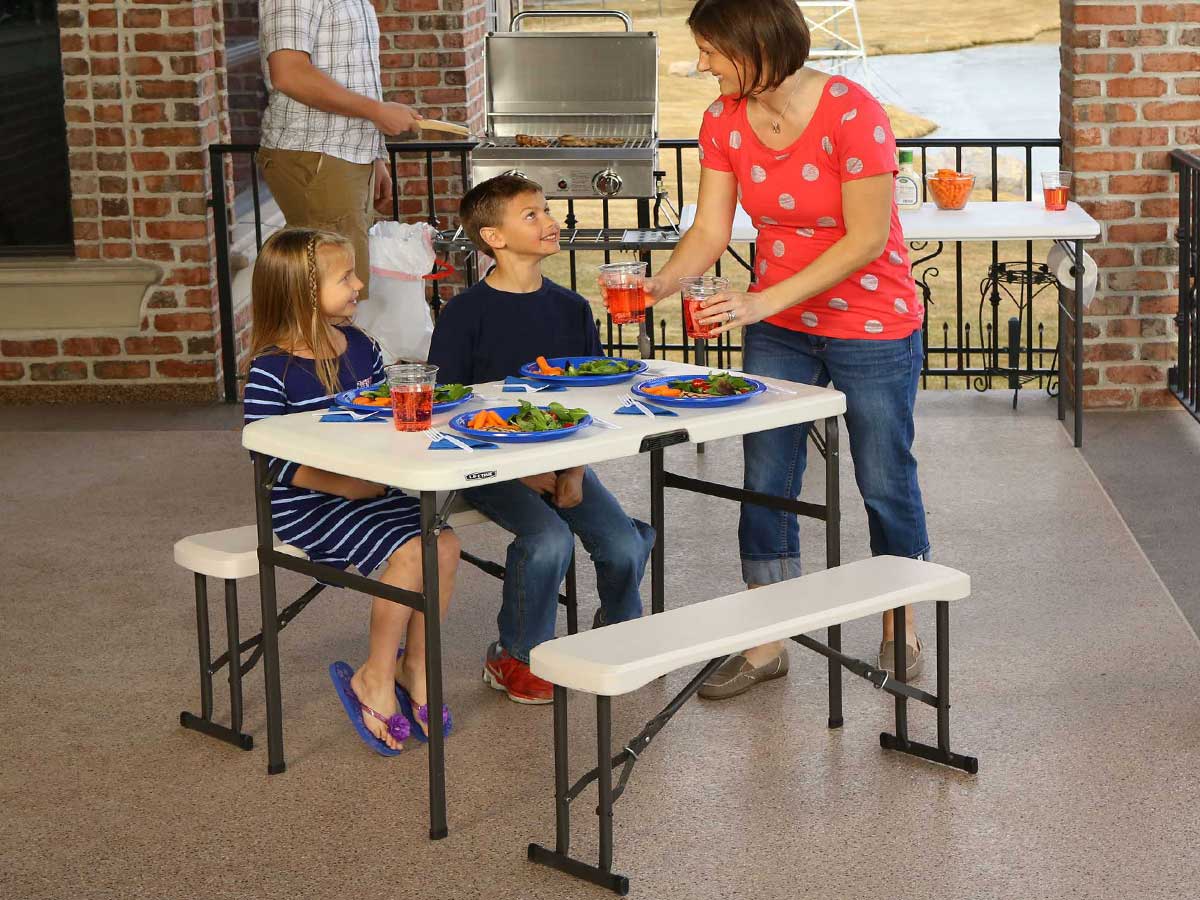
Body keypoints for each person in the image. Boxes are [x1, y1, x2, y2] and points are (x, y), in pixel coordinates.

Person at [644, 0, 931, 698]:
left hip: (872, 322)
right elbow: (712, 228)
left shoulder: (851, 111)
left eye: (712, 50)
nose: (702, 64)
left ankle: (900, 620)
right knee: (765, 472)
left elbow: (865, 239)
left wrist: (760, 301)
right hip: (779, 324)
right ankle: (767, 639)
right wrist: (659, 284)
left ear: (757, 43)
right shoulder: (723, 121)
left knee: (883, 473)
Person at [427, 175, 655, 705]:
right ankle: (514, 656)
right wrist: (524, 473)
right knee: (548, 539)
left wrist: (572, 474)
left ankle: (621, 629)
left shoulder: (571, 308)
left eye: (547, 210)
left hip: (565, 460)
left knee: (621, 546)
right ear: (495, 238)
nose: (550, 221)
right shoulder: (464, 314)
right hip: (486, 463)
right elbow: (448, 408)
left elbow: (590, 400)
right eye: (531, 215)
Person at [242, 227, 460, 753]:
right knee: (412, 553)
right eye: (346, 277)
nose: (360, 283)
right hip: (308, 504)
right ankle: (374, 677)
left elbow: (383, 414)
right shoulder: (271, 372)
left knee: (445, 544)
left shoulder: (362, 346)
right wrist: (350, 485)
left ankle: (417, 666)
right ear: (302, 292)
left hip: (373, 487)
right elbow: (268, 457)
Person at [257, 0, 424, 298]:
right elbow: (289, 73)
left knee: (345, 291)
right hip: (316, 153)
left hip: (345, 155)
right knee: (331, 297)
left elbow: (352, 71)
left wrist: (374, 155)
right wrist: (375, 111)